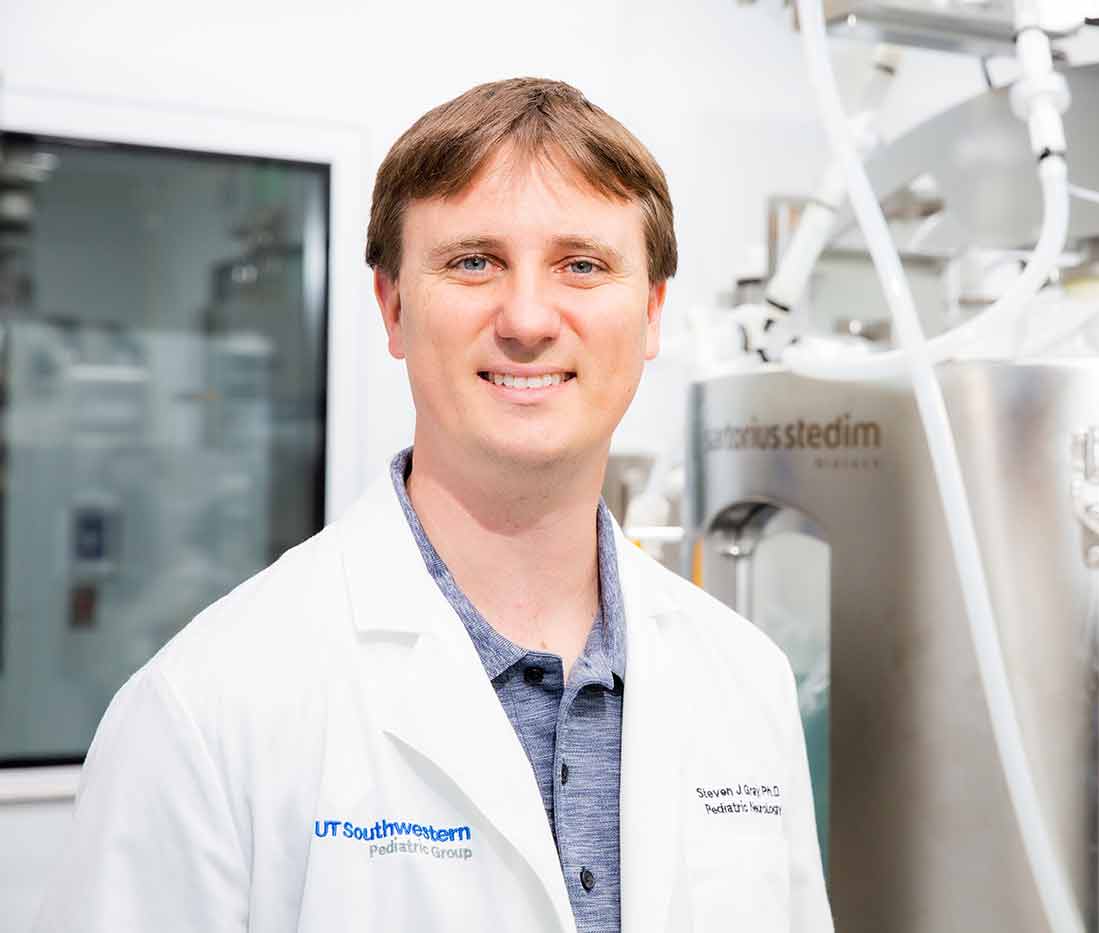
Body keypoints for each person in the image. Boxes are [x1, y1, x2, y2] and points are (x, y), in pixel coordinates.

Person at [34, 77, 831, 933]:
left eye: (583, 265)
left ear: (650, 313)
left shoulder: (746, 681)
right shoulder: (209, 707)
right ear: (394, 306)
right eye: (473, 261)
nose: (527, 317)